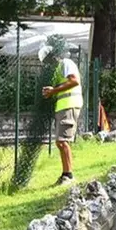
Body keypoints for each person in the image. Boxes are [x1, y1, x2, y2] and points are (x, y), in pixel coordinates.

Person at [38, 35, 83, 186]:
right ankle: (66, 174)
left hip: (69, 105)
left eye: (47, 61)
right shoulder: (59, 68)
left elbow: (74, 81)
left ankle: (68, 176)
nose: (46, 64)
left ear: (52, 56)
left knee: (62, 141)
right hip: (64, 106)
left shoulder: (66, 63)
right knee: (61, 142)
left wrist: (53, 91)